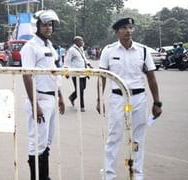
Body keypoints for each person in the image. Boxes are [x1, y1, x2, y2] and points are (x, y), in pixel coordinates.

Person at [96, 17, 162, 180]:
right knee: (114, 137)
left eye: (131, 27)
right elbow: (102, 77)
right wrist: (99, 99)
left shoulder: (143, 51)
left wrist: (157, 102)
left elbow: (151, 77)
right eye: (124, 28)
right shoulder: (109, 51)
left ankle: (137, 174)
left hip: (139, 98)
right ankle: (109, 175)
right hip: (118, 99)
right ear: (117, 31)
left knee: (138, 138)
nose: (128, 31)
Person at [20, 9, 65, 180]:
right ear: (37, 26)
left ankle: (44, 176)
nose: (48, 28)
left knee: (47, 142)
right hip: (39, 99)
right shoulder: (30, 47)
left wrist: (60, 95)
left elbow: (53, 73)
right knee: (36, 142)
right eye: (45, 25)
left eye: (50, 25)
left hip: (51, 97)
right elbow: (27, 75)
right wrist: (34, 105)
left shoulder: (49, 46)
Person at [64, 36, 93, 112]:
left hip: (83, 72)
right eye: (81, 41)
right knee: (80, 90)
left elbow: (84, 58)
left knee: (83, 88)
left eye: (82, 40)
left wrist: (89, 64)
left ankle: (72, 97)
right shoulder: (71, 50)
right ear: (76, 42)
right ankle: (81, 106)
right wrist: (66, 72)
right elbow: (67, 61)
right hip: (76, 73)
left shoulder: (81, 49)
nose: (82, 42)